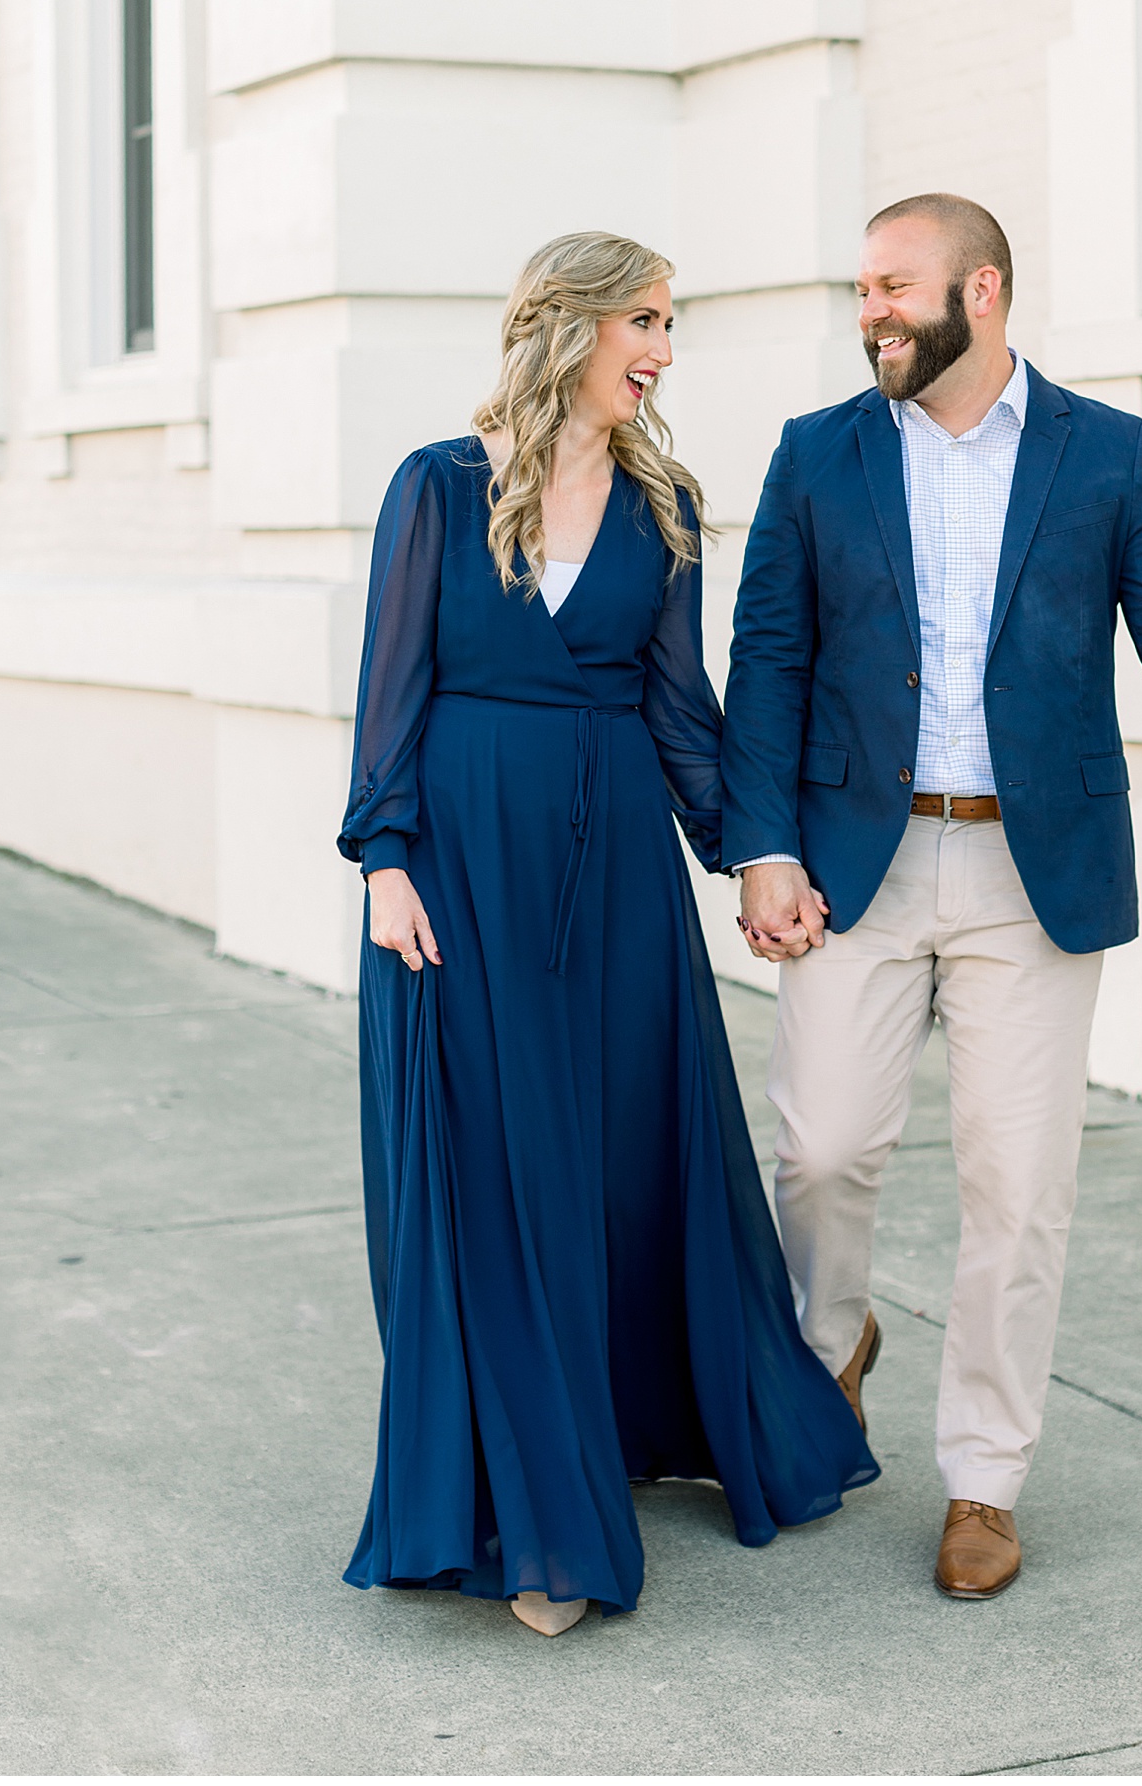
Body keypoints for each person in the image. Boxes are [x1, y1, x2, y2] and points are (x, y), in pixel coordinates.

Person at [721, 193, 1142, 1602]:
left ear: (984, 289)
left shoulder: (1110, 456)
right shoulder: (816, 455)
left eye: (894, 285)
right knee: (826, 1147)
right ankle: (826, 1353)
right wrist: (760, 841)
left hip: (1039, 875)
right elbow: (768, 654)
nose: (870, 311)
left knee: (1017, 1187)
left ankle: (983, 1474)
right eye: (859, 289)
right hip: (857, 861)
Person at [336, 230, 876, 1638]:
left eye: (670, 320)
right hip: (461, 874)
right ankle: (538, 1522)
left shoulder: (665, 505)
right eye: (646, 316)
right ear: (568, 325)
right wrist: (385, 860)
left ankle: (629, 1436)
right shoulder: (439, 490)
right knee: (494, 1181)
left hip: (617, 879)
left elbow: (676, 709)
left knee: (622, 1165)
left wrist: (753, 859)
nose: (665, 346)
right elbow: (390, 685)